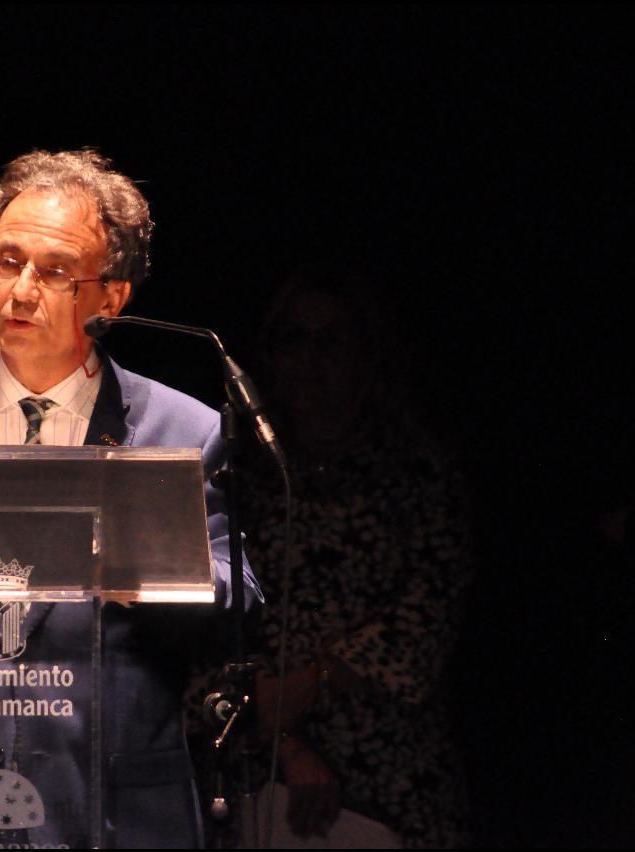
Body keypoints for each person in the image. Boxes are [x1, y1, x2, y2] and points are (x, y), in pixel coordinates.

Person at [0, 149, 257, 848]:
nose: (21, 290)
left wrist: (143, 558)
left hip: (113, 802)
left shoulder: (184, 432)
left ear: (111, 298)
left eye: (56, 272)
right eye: (7, 262)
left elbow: (239, 600)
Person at [188, 264, 473, 848]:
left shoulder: (417, 472)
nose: (310, 360)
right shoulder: (237, 474)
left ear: (367, 354)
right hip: (258, 768)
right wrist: (285, 744)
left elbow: (422, 626)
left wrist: (312, 683)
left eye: (331, 342)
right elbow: (194, 632)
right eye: (293, 340)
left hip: (387, 770)